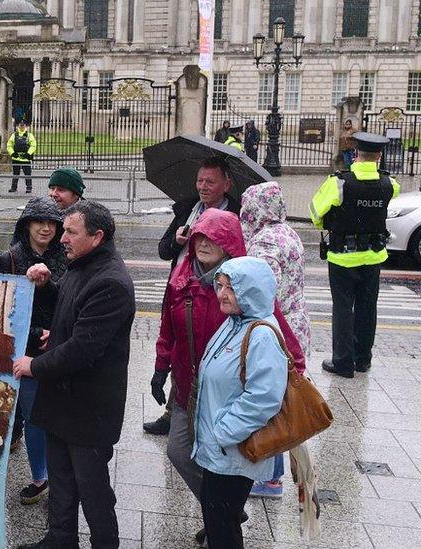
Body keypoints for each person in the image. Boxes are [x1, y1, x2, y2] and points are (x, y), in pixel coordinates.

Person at [151, 207, 306, 545]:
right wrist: (162, 365)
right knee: (180, 451)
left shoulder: (246, 291)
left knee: (221, 495)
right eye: (199, 236)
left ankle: (221, 512)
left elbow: (275, 359)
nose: (204, 243)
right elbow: (168, 325)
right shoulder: (182, 278)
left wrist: (223, 431)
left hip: (227, 403)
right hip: (191, 387)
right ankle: (221, 510)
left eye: (213, 238)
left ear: (229, 243)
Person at [13, 200, 135, 549]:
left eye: (70, 231)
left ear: (96, 237)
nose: (62, 238)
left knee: (92, 488)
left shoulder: (110, 281)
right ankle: (60, 538)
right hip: (62, 400)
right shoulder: (82, 264)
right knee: (63, 481)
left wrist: (33, 365)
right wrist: (50, 285)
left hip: (89, 407)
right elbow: (71, 305)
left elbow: (83, 348)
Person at [193, 257, 288, 549]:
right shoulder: (235, 322)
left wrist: (222, 433)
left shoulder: (260, 334)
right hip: (219, 448)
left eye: (231, 288)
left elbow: (264, 398)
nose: (222, 293)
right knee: (217, 522)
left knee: (223, 528)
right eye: (220, 285)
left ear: (252, 291)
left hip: (232, 451)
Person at [148, 157, 242, 437]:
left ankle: (196, 413)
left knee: (203, 350)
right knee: (181, 344)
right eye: (200, 180)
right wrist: (176, 241)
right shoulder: (188, 209)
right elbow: (163, 250)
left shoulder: (236, 214)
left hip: (214, 295)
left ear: (226, 184)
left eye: (210, 182)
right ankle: (176, 410)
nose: (203, 187)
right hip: (180, 289)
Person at [240, 181, 311, 500]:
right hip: (296, 324)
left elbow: (259, 291)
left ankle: (270, 477)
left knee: (269, 401)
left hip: (276, 331)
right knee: (277, 398)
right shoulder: (287, 233)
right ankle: (273, 473)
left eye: (247, 208)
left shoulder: (264, 242)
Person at [0, 196, 66, 504]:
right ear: (27, 225)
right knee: (25, 411)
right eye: (39, 222)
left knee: (45, 413)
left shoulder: (64, 255)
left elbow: (68, 297)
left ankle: (47, 476)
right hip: (19, 345)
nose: (45, 228)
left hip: (54, 344)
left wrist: (46, 284)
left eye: (51, 223)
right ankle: (40, 475)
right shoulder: (9, 257)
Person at [311, 132, 399, 378]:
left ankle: (343, 362)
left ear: (355, 154)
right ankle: (363, 360)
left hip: (342, 257)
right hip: (373, 257)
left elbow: (316, 213)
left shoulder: (339, 182)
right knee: (367, 307)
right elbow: (388, 199)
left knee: (342, 308)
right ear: (379, 156)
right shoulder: (389, 183)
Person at [7, 119, 37, 193]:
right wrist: (12, 153)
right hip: (16, 158)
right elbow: (9, 145)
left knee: (27, 174)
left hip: (25, 159)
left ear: (26, 126)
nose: (22, 126)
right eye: (20, 125)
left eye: (23, 125)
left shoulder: (29, 135)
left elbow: (33, 145)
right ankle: (14, 187)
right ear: (18, 126)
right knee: (15, 174)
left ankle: (29, 187)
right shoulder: (14, 135)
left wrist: (28, 153)